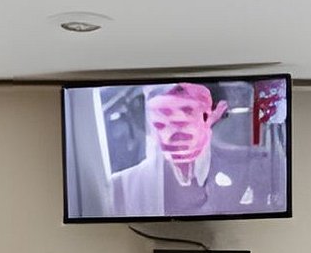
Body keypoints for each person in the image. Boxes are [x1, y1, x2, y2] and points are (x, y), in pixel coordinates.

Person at [108, 82, 287, 218]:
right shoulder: (120, 188)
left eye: (187, 112)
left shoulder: (260, 168)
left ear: (216, 113)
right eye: (163, 117)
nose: (175, 129)